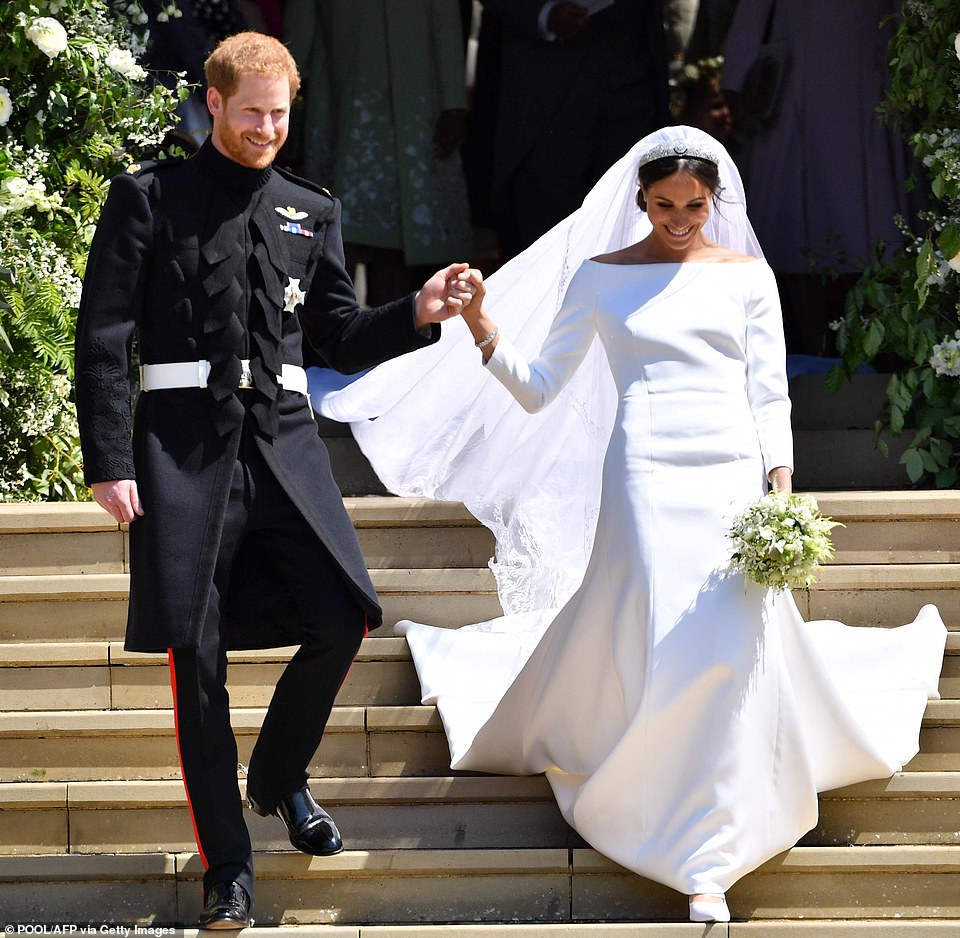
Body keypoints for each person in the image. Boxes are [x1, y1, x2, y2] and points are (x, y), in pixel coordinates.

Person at [314, 126, 946, 922]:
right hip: (642, 472)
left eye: (694, 205)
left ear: (716, 201)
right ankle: (679, 829)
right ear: (640, 201)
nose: (679, 218)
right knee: (655, 618)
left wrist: (780, 482)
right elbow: (542, 388)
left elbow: (769, 392)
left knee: (731, 631)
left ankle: (712, 845)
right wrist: (481, 330)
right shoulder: (601, 278)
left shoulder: (749, 277)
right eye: (663, 205)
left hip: (729, 474)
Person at [74, 31, 473, 930]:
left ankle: (281, 776)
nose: (265, 128)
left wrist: (414, 312)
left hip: (287, 449)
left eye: (279, 114)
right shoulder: (148, 198)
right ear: (212, 103)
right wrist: (109, 460)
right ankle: (230, 867)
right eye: (250, 111)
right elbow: (103, 340)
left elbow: (333, 334)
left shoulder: (310, 208)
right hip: (181, 454)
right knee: (198, 660)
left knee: (346, 615)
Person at [283, 0, 473, 305]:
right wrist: (285, 90)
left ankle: (392, 343)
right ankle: (331, 339)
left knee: (395, 246)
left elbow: (445, 20)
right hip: (343, 98)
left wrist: (454, 103)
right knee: (333, 233)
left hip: (415, 103)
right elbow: (303, 17)